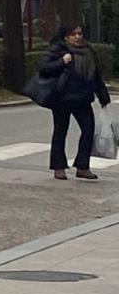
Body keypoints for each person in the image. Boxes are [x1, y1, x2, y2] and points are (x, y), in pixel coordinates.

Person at [40, 24, 110, 180]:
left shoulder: (88, 51)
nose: (78, 37)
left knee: (88, 130)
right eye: (74, 34)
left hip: (83, 98)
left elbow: (96, 75)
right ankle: (59, 167)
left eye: (80, 33)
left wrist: (103, 96)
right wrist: (62, 62)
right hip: (62, 99)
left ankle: (83, 166)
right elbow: (44, 68)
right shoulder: (58, 49)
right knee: (60, 131)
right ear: (66, 37)